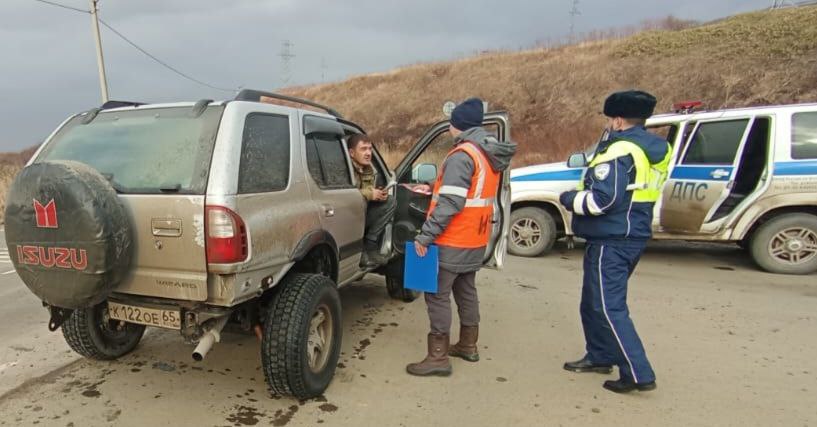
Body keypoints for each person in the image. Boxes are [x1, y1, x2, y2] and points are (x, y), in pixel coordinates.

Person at [559, 90, 671, 393]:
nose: (608, 123)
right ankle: (599, 355)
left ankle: (637, 373)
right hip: (629, 232)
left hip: (613, 237)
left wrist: (569, 198)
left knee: (609, 307)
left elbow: (602, 201)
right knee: (592, 303)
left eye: (609, 118)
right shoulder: (654, 147)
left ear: (618, 120)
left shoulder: (620, 151)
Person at [406, 98, 517, 377]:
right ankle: (468, 344)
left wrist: (425, 237)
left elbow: (451, 204)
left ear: (457, 126)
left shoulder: (461, 155)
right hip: (475, 239)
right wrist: (434, 186)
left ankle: (438, 357)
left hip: (452, 240)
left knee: (437, 295)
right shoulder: (486, 152)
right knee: (466, 291)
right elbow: (469, 191)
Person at [347, 134, 394, 267]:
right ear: (351, 152)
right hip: (345, 217)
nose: (368, 153)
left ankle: (370, 245)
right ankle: (358, 252)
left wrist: (377, 194)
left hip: (360, 215)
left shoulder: (368, 169)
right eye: (363, 149)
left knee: (389, 201)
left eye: (370, 149)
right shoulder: (345, 168)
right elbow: (343, 194)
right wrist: (369, 194)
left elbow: (366, 192)